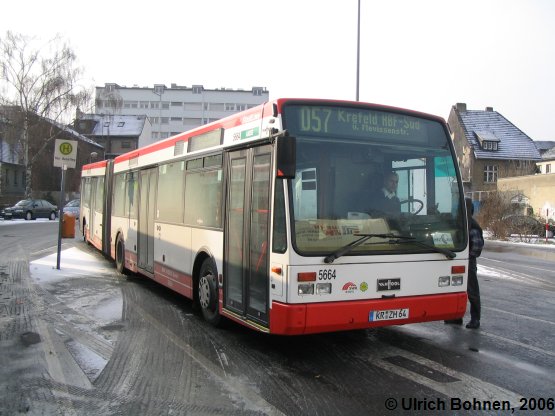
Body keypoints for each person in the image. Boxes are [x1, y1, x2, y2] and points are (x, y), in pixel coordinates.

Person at [445, 199, 484, 328]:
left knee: (472, 291)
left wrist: (467, 257)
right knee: (455, 288)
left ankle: (475, 319)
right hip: (459, 259)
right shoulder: (461, 224)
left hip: (468, 261)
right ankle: (456, 317)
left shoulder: (472, 225)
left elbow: (477, 248)